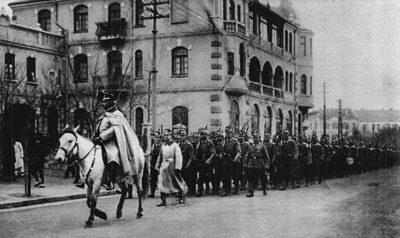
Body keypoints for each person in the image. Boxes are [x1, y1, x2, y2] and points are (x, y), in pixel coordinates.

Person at [93, 93, 140, 192]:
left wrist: (102, 137)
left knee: (113, 156)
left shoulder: (118, 114)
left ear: (112, 102)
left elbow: (115, 129)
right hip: (100, 142)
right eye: (103, 101)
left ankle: (111, 181)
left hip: (111, 142)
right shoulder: (105, 114)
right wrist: (95, 135)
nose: (103, 103)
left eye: (106, 101)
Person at [155, 129, 187, 206]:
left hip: (172, 165)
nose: (166, 137)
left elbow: (179, 157)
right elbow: (160, 157)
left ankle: (181, 197)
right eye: (165, 135)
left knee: (176, 182)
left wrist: (178, 168)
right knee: (162, 182)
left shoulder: (175, 146)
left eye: (168, 135)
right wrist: (157, 166)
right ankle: (163, 200)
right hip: (164, 165)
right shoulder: (163, 146)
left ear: (171, 136)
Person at [245, 133, 269, 197]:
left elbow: (266, 157)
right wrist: (245, 162)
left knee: (263, 178)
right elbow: (247, 155)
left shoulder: (262, 146)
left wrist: (266, 166)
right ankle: (251, 191)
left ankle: (264, 189)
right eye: (254, 138)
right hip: (251, 163)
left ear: (259, 138)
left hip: (259, 164)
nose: (255, 140)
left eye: (256, 138)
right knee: (250, 178)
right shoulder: (250, 146)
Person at [193, 128, 215, 197]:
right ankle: (200, 191)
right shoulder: (199, 143)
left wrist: (209, 159)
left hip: (208, 162)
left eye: (203, 134)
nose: (202, 136)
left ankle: (214, 189)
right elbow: (197, 152)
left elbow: (213, 152)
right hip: (201, 162)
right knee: (201, 177)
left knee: (211, 176)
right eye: (201, 134)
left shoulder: (209, 142)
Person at [220, 126, 241, 196]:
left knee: (235, 176)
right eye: (226, 133)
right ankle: (226, 189)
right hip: (226, 161)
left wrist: (235, 158)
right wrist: (221, 155)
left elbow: (239, 151)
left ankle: (237, 189)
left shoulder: (235, 141)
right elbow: (222, 150)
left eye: (229, 133)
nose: (227, 134)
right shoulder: (224, 141)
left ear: (232, 133)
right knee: (226, 176)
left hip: (233, 161)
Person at [178, 129, 194, 194]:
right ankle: (180, 192)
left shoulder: (189, 145)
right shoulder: (178, 144)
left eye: (183, 135)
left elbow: (191, 156)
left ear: (186, 136)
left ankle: (190, 190)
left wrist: (188, 164)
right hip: (179, 164)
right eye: (181, 135)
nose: (182, 137)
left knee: (187, 178)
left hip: (186, 164)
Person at [148, 132, 162, 198]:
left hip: (159, 164)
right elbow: (151, 153)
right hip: (153, 164)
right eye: (155, 137)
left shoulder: (162, 145)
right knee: (152, 179)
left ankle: (164, 193)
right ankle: (152, 192)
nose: (156, 139)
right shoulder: (153, 145)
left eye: (158, 137)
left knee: (161, 178)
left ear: (160, 138)